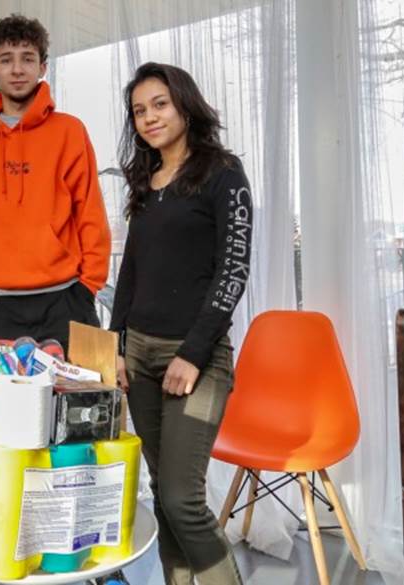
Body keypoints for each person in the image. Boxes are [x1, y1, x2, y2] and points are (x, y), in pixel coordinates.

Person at [110, 62, 252, 585]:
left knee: (181, 498)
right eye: (139, 110)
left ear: (185, 104)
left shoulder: (223, 173)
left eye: (160, 104)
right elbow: (132, 270)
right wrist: (116, 345)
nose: (149, 117)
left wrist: (192, 353)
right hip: (140, 355)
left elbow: (233, 271)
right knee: (160, 490)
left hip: (199, 357)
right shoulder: (145, 181)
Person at [0, 13, 111, 352]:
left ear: (43, 67)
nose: (17, 69)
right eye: (6, 60)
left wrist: (87, 287)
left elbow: (89, 213)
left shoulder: (69, 132)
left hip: (64, 300)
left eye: (27, 59)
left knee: (71, 405)